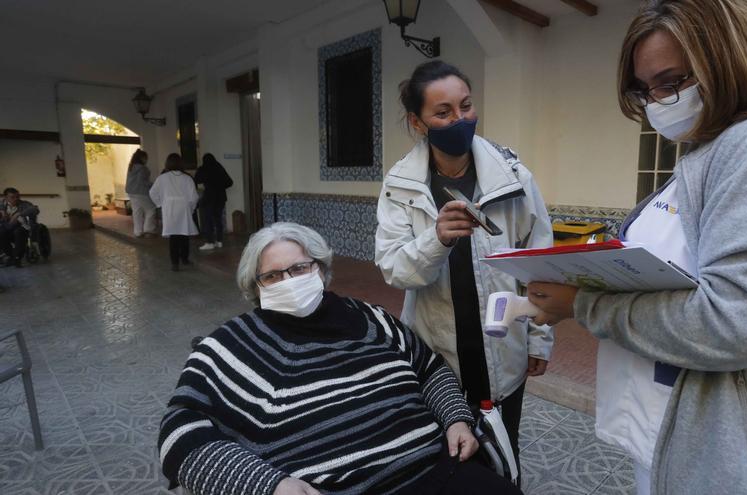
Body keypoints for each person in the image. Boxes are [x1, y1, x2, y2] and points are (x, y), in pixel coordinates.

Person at [526, 1, 747, 493]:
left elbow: (743, 320)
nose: (656, 101)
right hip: (680, 442)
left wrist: (586, 305)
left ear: (730, 60)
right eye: (644, 89)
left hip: (740, 461)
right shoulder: (709, 154)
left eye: (671, 82)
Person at [157, 222, 522, 495]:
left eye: (299, 268)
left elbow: (429, 369)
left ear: (320, 269)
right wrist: (270, 485)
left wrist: (456, 419)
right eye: (272, 276)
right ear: (255, 287)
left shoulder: (370, 319)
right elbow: (179, 433)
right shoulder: (234, 345)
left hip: (438, 470)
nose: (289, 280)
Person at [375, 60, 554, 467]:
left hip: (502, 346)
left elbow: (539, 264)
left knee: (504, 453)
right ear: (418, 123)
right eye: (443, 112)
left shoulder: (512, 178)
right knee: (449, 458)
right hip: (436, 353)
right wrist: (435, 238)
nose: (460, 119)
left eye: (466, 106)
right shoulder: (401, 185)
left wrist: (540, 338)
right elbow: (393, 269)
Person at [149, 153, 199, 271]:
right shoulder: (187, 178)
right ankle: (185, 259)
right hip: (184, 208)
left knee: (173, 235)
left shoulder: (162, 178)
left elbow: (152, 192)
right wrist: (190, 208)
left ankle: (174, 263)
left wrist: (160, 204)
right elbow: (194, 197)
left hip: (169, 208)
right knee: (184, 234)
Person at [194, 152, 233, 251]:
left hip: (209, 198)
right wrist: (220, 186)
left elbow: (196, 180)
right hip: (220, 198)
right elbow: (229, 182)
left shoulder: (203, 168)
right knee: (218, 219)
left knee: (207, 220)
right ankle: (219, 241)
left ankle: (209, 242)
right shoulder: (219, 167)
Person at [0, 187, 39, 268]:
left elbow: (35, 209)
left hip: (22, 227)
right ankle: (12, 256)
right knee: (1, 233)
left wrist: (18, 214)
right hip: (8, 228)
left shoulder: (24, 204)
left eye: (17, 196)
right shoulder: (2, 204)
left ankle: (17, 258)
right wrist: (2, 212)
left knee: (19, 232)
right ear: (6, 198)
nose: (16, 199)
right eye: (12, 197)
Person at [124, 149, 157, 238]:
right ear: (142, 158)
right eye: (146, 158)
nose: (147, 160)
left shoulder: (131, 167)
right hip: (141, 192)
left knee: (137, 211)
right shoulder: (143, 168)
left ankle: (138, 232)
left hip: (131, 192)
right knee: (151, 209)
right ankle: (148, 230)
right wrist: (153, 184)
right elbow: (143, 181)